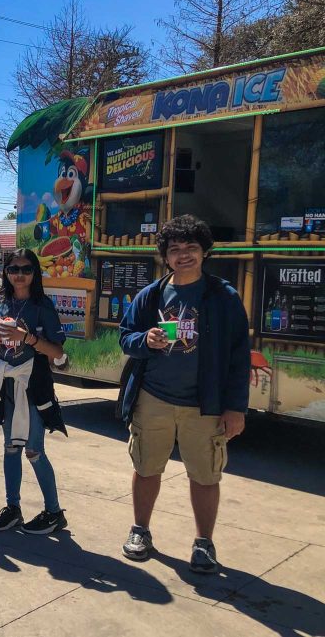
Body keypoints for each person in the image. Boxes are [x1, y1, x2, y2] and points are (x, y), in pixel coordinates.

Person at [118, 215, 250, 574]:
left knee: (205, 475)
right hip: (154, 398)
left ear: (204, 251)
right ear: (165, 256)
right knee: (146, 467)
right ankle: (140, 531)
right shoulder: (152, 295)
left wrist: (236, 408)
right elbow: (125, 336)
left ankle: (204, 543)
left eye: (191, 248)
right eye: (175, 249)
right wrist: (144, 340)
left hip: (204, 404)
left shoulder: (223, 297)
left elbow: (239, 355)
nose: (183, 255)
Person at [0, 249, 69, 534]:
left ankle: (54, 512)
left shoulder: (43, 305)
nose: (19, 274)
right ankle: (13, 507)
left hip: (33, 386)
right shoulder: (1, 303)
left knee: (33, 450)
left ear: (35, 273)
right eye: (13, 269)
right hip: (6, 387)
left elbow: (57, 352)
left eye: (26, 269)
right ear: (6, 272)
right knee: (10, 449)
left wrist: (27, 338)